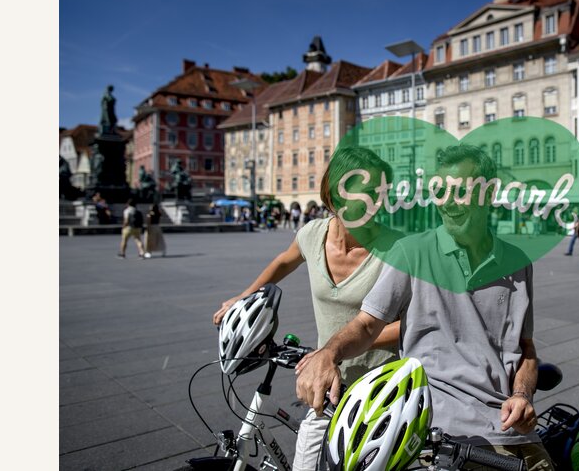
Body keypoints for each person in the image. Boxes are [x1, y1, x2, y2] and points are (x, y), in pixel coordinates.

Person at [295, 144, 554, 471]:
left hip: (512, 430)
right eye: (440, 191)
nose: (447, 201)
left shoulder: (518, 263)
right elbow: (366, 324)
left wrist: (523, 395)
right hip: (436, 430)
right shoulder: (412, 252)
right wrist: (327, 353)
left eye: (460, 191)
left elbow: (525, 348)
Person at [211, 146, 403, 471]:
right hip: (327, 383)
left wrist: (337, 348)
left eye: (377, 192)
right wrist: (242, 297)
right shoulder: (313, 234)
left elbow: (413, 323)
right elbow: (282, 262)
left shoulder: (396, 249)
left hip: (380, 389)